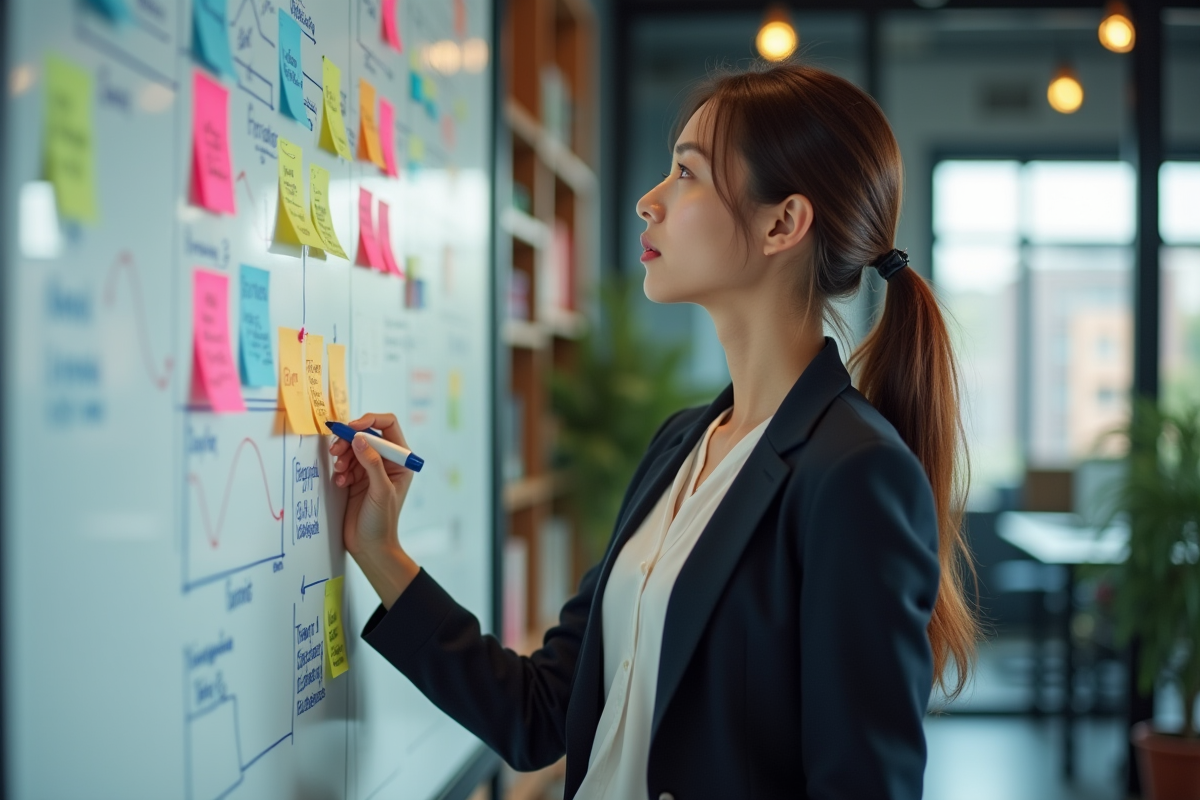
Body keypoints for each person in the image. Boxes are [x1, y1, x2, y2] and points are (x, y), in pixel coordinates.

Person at [329, 61, 978, 800]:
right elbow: (541, 715)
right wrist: (379, 551)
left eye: (686, 174)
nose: (648, 201)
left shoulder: (856, 472)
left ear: (783, 223)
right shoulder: (680, 444)